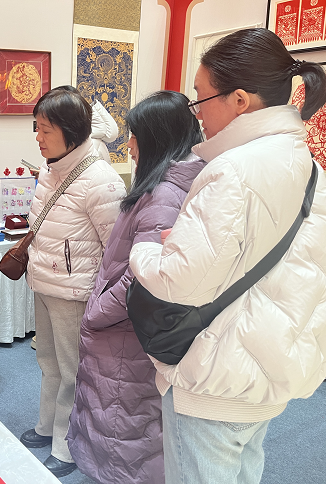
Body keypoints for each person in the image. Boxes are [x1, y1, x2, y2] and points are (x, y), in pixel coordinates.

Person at [129, 28, 326, 484]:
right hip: (270, 362)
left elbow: (180, 281)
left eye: (200, 98)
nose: (196, 113)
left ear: (239, 101)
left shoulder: (232, 169)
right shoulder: (310, 166)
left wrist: (147, 249)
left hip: (217, 373)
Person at [66, 91, 205, 484]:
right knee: (125, 419)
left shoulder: (164, 195)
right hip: (126, 329)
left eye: (135, 136)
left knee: (122, 425)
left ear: (157, 139)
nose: (128, 145)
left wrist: (97, 312)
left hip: (125, 331)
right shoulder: (165, 185)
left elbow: (142, 278)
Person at [19, 87, 127, 477]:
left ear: (71, 131)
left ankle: (66, 447)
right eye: (36, 127)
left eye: (45, 130)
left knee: (73, 370)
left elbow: (116, 250)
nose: (38, 137)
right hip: (45, 284)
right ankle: (46, 426)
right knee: (48, 362)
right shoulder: (51, 168)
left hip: (74, 292)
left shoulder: (101, 180)